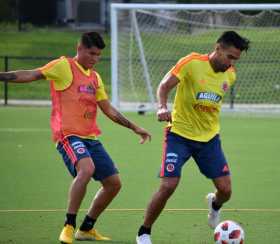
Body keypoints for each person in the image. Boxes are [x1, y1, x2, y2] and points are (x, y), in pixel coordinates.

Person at [0, 31, 151, 244]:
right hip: (68, 136)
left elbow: (108, 109)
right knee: (86, 169)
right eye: (91, 53)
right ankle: (68, 226)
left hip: (90, 138)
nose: (95, 59)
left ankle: (86, 228)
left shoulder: (95, 77)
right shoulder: (63, 66)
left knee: (113, 183)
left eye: (98, 55)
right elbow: (31, 74)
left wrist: (135, 127)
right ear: (79, 48)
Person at [136, 31, 250, 244]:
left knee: (225, 191)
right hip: (178, 135)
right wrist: (161, 107)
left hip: (209, 140)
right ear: (218, 48)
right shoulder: (191, 62)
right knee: (168, 185)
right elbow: (164, 86)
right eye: (230, 57)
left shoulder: (230, 74)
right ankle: (144, 232)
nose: (232, 63)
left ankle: (214, 206)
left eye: (236, 59)